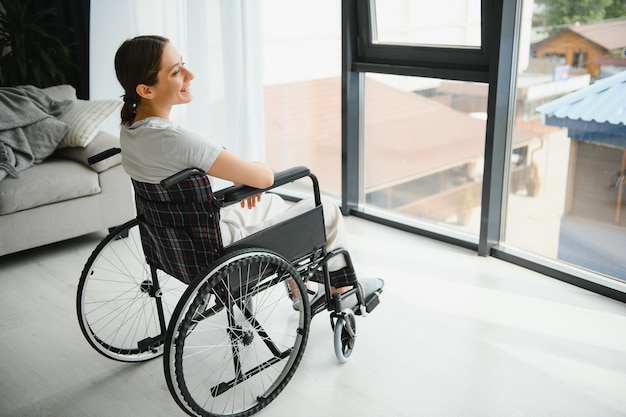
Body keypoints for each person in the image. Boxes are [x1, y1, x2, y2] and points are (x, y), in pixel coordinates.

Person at [114, 34, 382, 308]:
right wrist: (254, 170)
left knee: (272, 203)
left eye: (184, 64)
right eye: (176, 71)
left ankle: (298, 283)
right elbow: (264, 177)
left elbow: (199, 155)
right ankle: (345, 291)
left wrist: (239, 176)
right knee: (326, 209)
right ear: (146, 90)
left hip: (175, 246)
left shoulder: (130, 131)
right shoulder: (174, 140)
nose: (190, 74)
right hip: (218, 253)